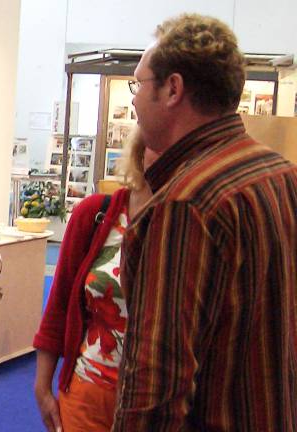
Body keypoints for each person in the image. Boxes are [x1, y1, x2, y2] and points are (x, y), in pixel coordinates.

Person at [114, 14, 297, 431]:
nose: (134, 103)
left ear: (173, 89)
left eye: (138, 85)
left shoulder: (186, 203)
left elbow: (156, 386)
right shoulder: (281, 174)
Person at [33, 129, 155, 432]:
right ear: (140, 152)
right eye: (157, 144)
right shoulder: (96, 214)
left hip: (157, 405)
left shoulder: (190, 223)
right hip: (89, 393)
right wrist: (43, 387)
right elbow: (59, 303)